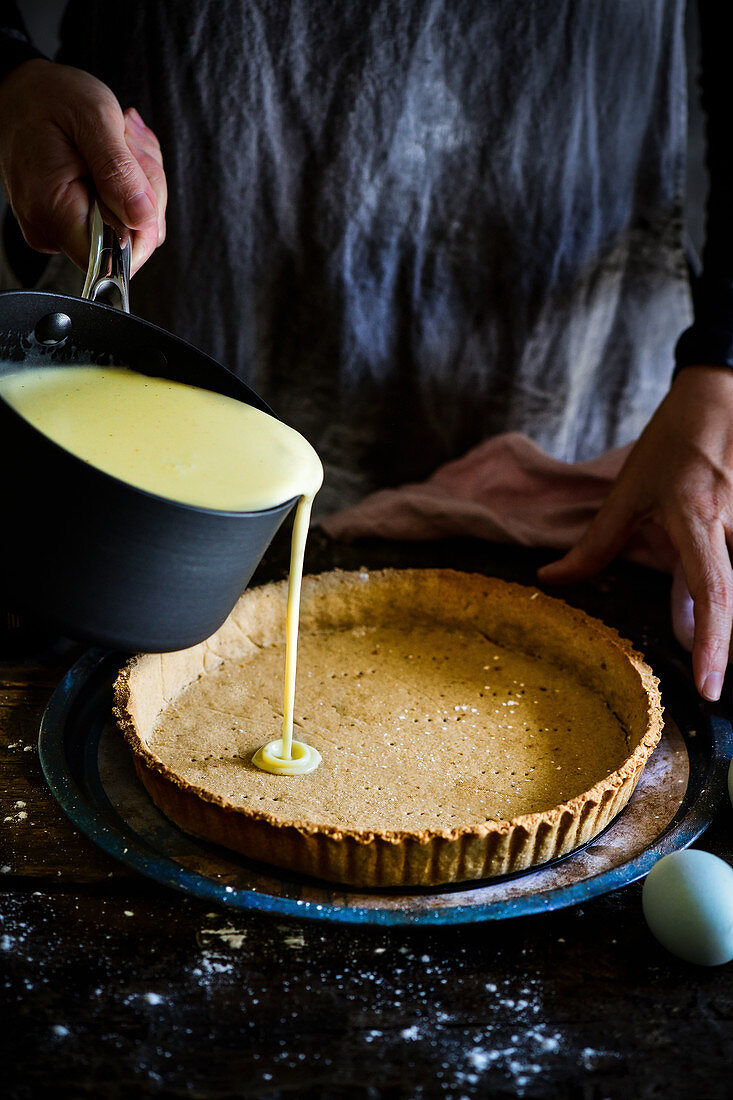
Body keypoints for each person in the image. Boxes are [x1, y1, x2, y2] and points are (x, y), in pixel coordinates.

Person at [1, 1, 732, 702]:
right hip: (202, 220)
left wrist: (721, 360)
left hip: (551, 290)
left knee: (540, 578)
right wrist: (11, 73)